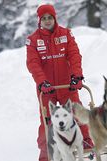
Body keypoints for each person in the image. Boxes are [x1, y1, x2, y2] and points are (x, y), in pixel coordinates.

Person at [26, 4, 93, 161]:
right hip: (47, 88)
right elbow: (33, 63)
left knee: (77, 112)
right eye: (44, 18)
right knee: (47, 119)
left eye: (50, 17)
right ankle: (46, 152)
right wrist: (42, 82)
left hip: (66, 85)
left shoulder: (65, 34)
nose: (47, 21)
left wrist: (76, 76)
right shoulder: (33, 40)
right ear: (39, 20)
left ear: (55, 18)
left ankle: (86, 143)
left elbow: (74, 55)